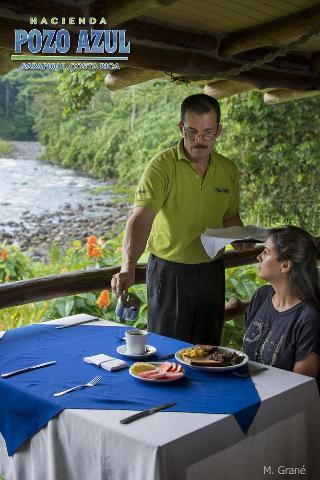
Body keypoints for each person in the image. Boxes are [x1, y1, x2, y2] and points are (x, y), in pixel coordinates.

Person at [112, 93, 249, 345]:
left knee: (208, 349)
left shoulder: (228, 169)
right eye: (192, 131)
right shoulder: (161, 166)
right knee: (167, 348)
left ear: (218, 130)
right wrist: (127, 267)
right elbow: (140, 220)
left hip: (211, 271)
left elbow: (230, 216)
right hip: (170, 272)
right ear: (181, 128)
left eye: (208, 132)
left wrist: (240, 237)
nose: (200, 140)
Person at [243, 226, 320, 381]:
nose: (259, 257)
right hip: (249, 390)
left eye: (266, 251)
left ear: (285, 265)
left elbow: (299, 384)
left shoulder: (309, 317)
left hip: (284, 401)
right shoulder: (261, 296)